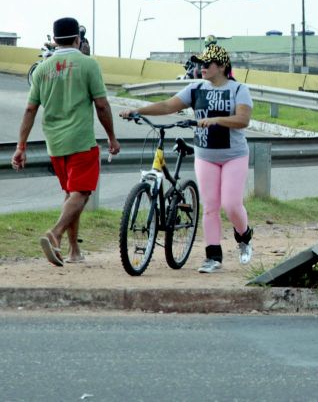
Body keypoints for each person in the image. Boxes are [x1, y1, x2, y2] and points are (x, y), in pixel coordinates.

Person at [120, 38, 255, 273]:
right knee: (211, 206)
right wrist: (137, 110)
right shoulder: (196, 88)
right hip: (206, 156)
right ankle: (213, 256)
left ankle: (243, 236)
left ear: (222, 66)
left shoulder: (238, 90)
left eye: (207, 63)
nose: (202, 67)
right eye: (200, 63)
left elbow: (243, 120)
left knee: (231, 204)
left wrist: (216, 120)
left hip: (234, 155)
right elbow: (166, 106)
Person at [12, 17, 121, 266]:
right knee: (82, 193)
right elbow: (102, 105)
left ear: (53, 40)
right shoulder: (88, 65)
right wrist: (112, 137)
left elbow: (29, 110)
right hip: (81, 140)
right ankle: (55, 233)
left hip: (55, 143)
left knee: (72, 194)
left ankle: (73, 251)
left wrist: (21, 146)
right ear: (78, 39)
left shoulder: (41, 69)